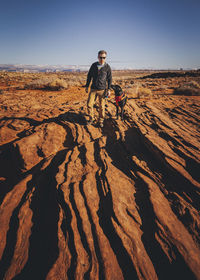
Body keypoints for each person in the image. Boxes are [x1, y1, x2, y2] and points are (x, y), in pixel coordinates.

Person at [85, 50, 112, 127]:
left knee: (102, 107)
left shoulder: (107, 67)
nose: (102, 59)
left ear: (106, 58)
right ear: (98, 57)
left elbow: (110, 79)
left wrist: (109, 89)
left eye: (104, 57)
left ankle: (101, 120)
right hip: (93, 89)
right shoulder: (93, 65)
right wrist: (87, 86)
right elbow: (89, 76)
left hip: (102, 90)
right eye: (100, 57)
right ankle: (91, 119)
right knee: (89, 104)